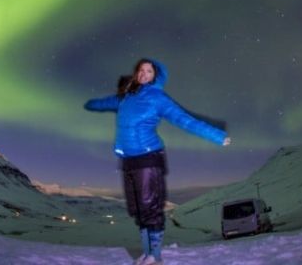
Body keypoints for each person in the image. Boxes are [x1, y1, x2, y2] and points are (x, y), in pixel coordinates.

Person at [84, 58, 231, 265]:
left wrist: (217, 136)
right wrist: (91, 104)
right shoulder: (126, 97)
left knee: (149, 207)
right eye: (141, 70)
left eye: (149, 71)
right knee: (137, 210)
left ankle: (156, 255)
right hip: (127, 160)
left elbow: (185, 120)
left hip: (148, 158)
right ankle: (146, 253)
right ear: (136, 73)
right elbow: (107, 102)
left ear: (156, 75)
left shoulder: (158, 98)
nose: (144, 74)